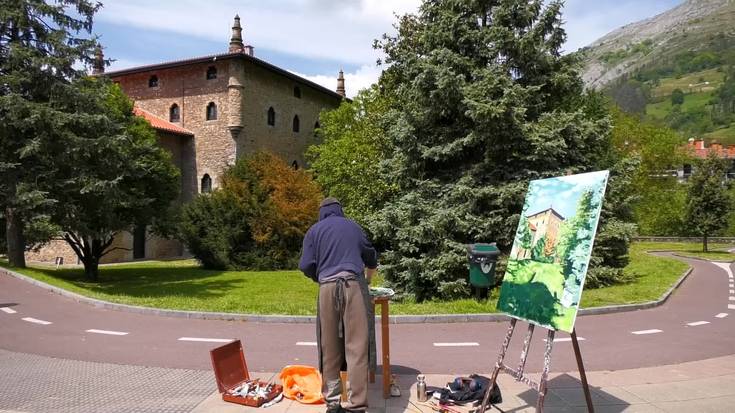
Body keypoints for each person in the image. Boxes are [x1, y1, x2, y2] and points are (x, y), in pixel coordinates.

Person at [299, 197, 378, 413]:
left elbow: (305, 264)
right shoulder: (354, 227)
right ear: (340, 211)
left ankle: (332, 403)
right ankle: (357, 405)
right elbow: (371, 257)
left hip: (326, 288)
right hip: (352, 286)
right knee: (357, 347)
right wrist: (367, 280)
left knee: (329, 347)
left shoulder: (314, 231)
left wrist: (321, 277)